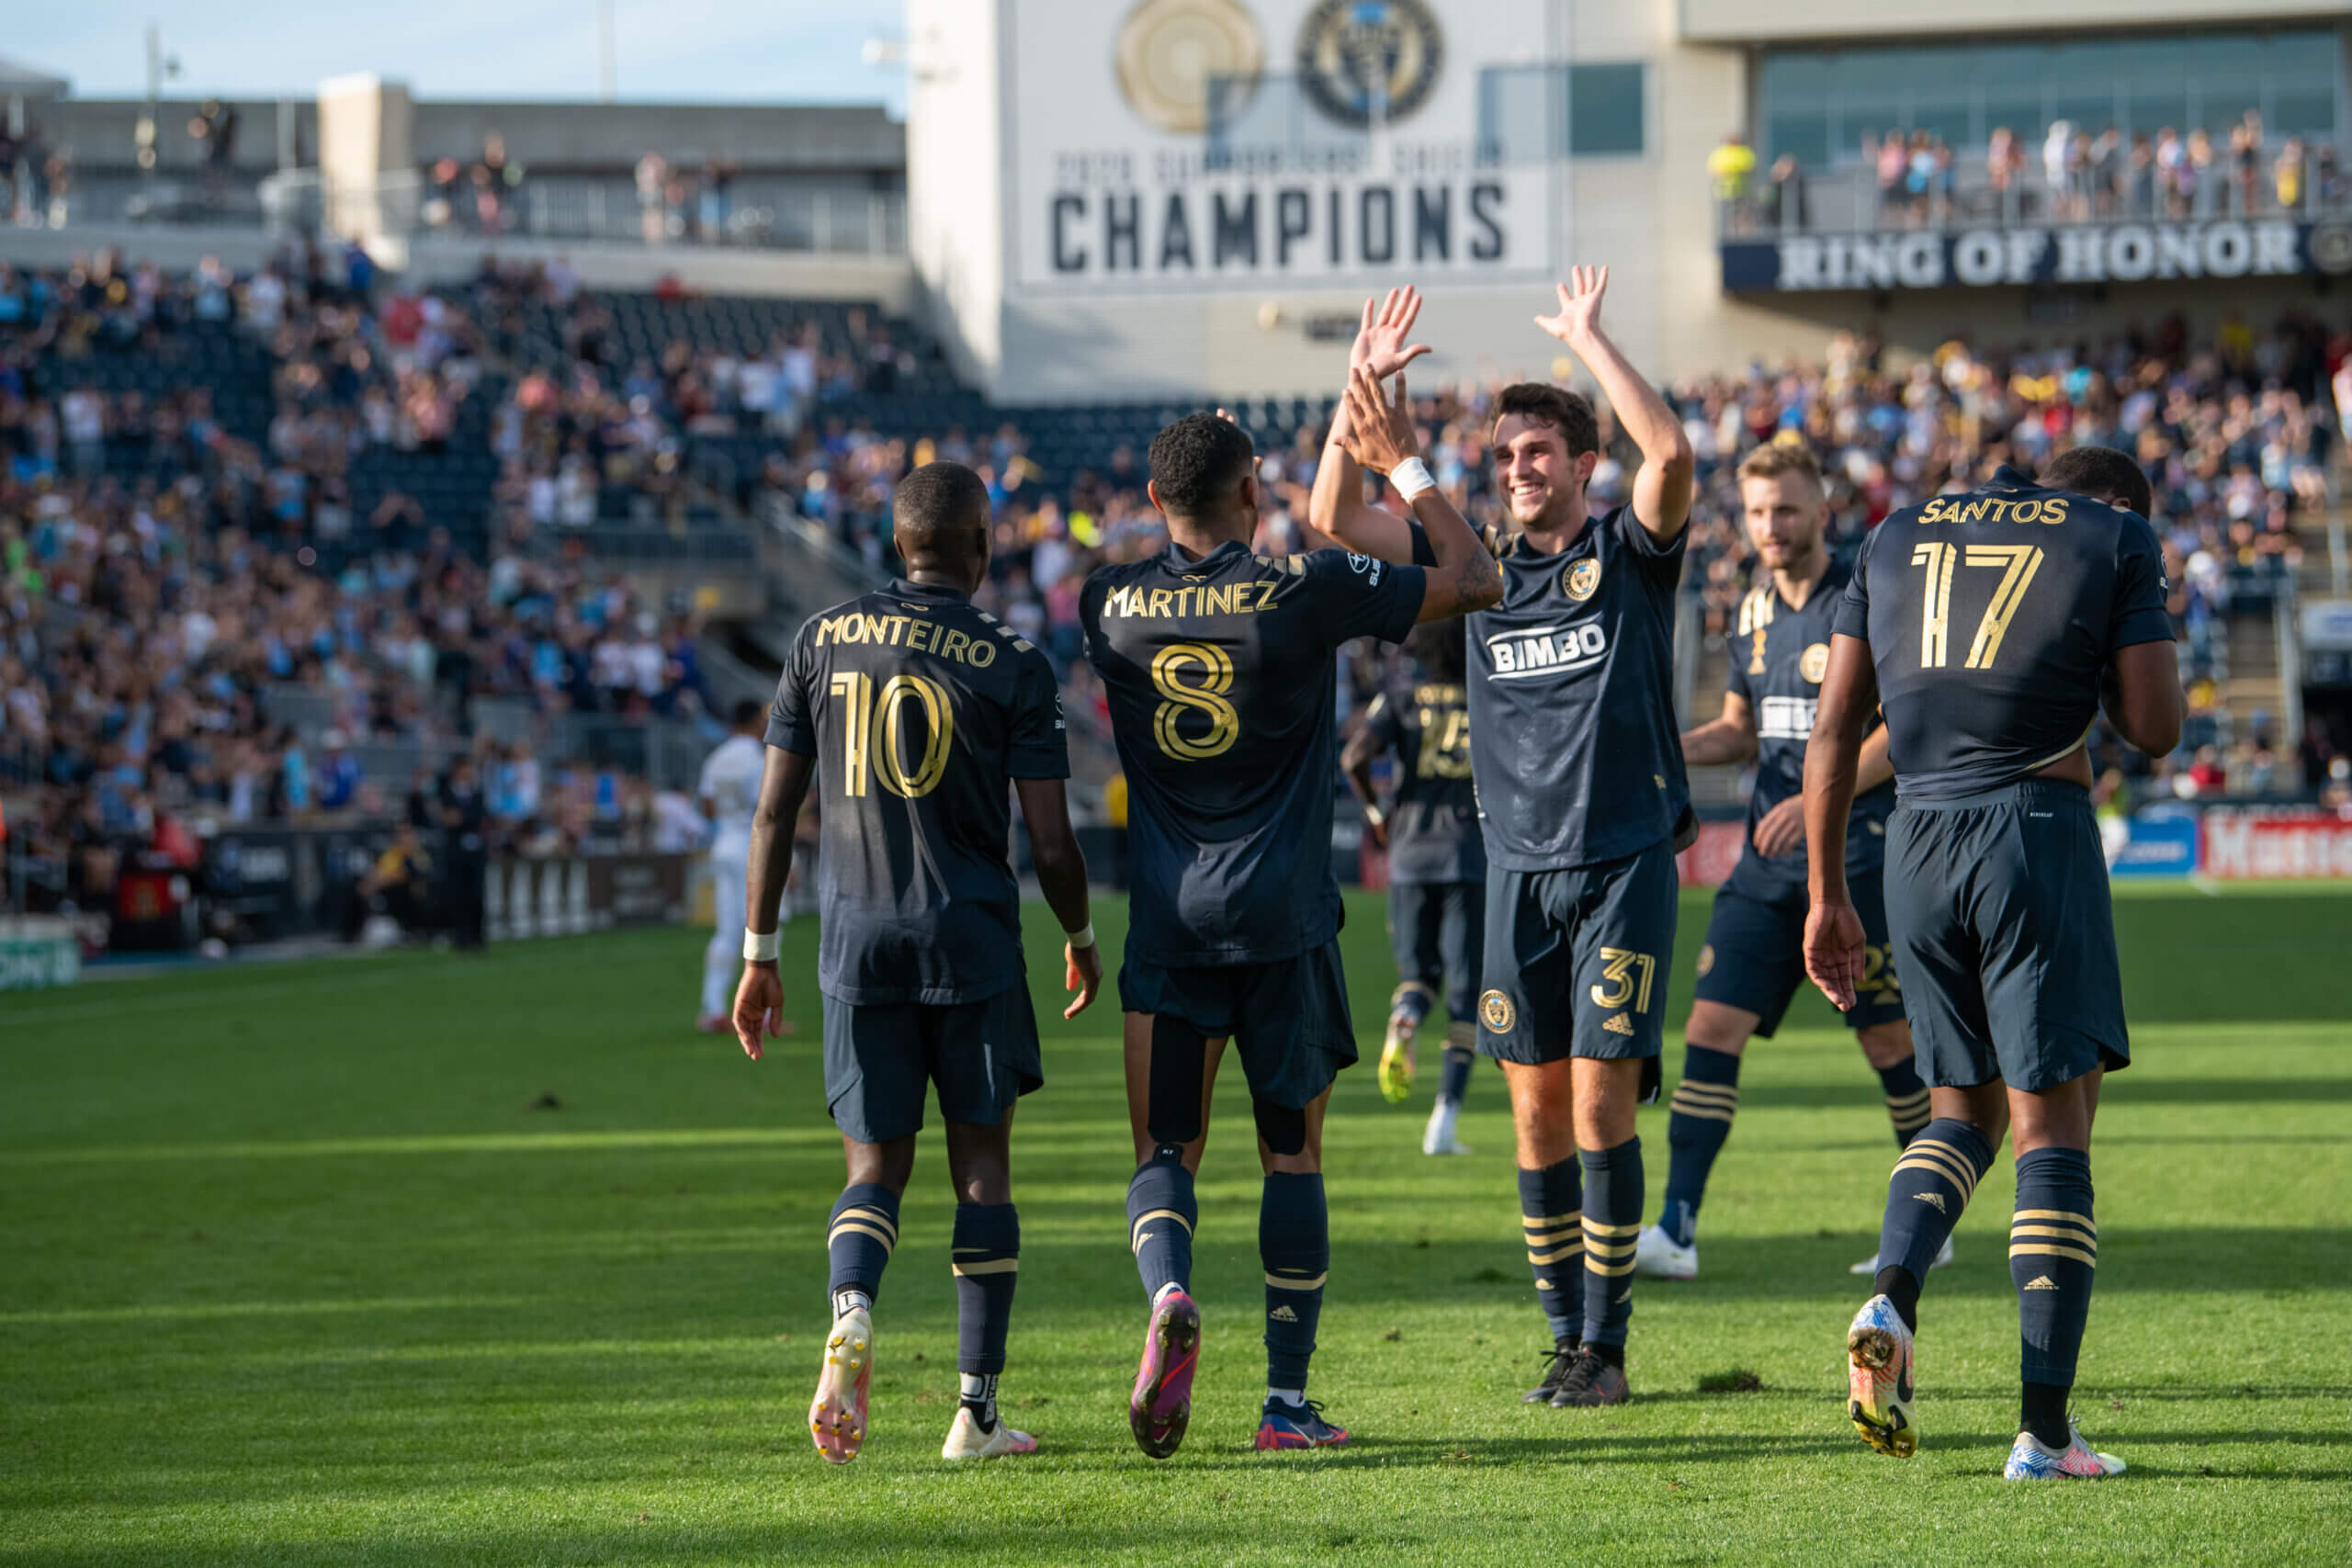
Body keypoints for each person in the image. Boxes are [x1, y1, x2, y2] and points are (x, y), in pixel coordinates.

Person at [1082, 388, 1499, 1458]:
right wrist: (1401, 467)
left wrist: (1220, 462)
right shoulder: (1303, 588)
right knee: (1292, 1161)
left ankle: (1169, 1289)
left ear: (1150, 496)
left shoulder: (1105, 603)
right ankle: (1284, 1404)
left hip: (1169, 923)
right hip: (1284, 918)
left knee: (1162, 1148)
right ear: (1253, 490)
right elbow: (1479, 577)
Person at [1310, 275, 1696, 1412]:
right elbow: (1335, 515)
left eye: (1541, 451)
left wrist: (1588, 341)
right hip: (1510, 873)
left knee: (1597, 1108)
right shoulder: (1471, 572)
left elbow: (1668, 454)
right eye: (1509, 453)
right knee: (1530, 1115)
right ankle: (1563, 1343)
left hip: (1621, 863)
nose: (1521, 467)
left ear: (1582, 464)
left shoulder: (1628, 555)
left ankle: (1610, 1346)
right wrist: (1362, 382)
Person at [1804, 446, 2182, 1481]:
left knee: (1954, 1111)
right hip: (2033, 828)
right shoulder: (2112, 537)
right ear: (2104, 508)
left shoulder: (1894, 535)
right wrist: (2111, 638)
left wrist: (1827, 894)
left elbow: (1836, 729)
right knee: (2050, 1130)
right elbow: (2152, 727)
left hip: (1912, 845)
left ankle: (1890, 1293)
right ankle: (2045, 1435)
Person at [732, 461, 1101, 1465]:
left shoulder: (819, 640)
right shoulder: (1014, 661)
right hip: (972, 941)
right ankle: (974, 1415)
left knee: (872, 1166)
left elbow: (774, 812)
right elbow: (1055, 846)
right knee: (981, 1169)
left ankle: (852, 1307)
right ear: (981, 547)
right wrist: (1077, 937)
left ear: (899, 546)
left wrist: (760, 952)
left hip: (855, 943)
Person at [1634, 441, 1930, 1282]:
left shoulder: (1868, 599)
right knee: (1708, 1028)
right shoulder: (1755, 609)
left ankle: (1929, 1220)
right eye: (1759, 512)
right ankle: (1678, 1227)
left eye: (1787, 509)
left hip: (1859, 859)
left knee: (1887, 1040)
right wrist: (1662, 745)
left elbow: (1902, 730)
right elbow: (1740, 728)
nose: (1771, 526)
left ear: (1822, 511)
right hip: (1766, 866)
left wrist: (1818, 798)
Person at [1340, 615, 1485, 1156]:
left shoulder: (1399, 696)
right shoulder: (1487, 694)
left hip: (1409, 854)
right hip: (1469, 855)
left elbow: (1353, 757)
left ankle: (1405, 1019)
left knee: (1418, 976)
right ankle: (1444, 1120)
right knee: (1466, 993)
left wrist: (1379, 812)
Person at [696, 700, 776, 1033]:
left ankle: (713, 1007)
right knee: (766, 929)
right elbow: (768, 808)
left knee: (727, 931)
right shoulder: (756, 759)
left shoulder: (716, 758)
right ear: (753, 722)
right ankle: (763, 1012)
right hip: (752, 846)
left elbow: (708, 807)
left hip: (724, 845)